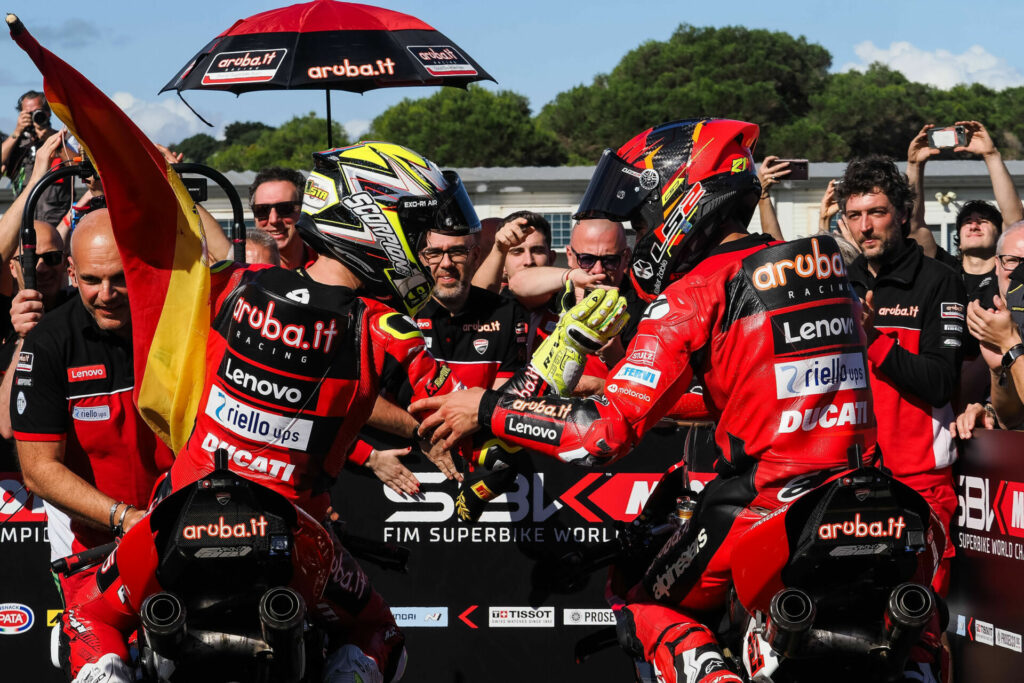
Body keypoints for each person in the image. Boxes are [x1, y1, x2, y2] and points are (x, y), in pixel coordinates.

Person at [412, 118, 878, 683]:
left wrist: (486, 408)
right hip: (864, 493)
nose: (642, 229)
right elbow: (747, 393)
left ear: (683, 201)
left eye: (642, 214)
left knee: (642, 604)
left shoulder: (696, 290)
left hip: (773, 504)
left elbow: (598, 437)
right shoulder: (826, 267)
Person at [66, 142, 472, 683]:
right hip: (293, 536)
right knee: (378, 632)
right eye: (419, 234)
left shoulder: (234, 286)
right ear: (376, 223)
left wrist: (146, 168)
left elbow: (191, 241)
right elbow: (474, 410)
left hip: (177, 518)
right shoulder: (388, 331)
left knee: (86, 613)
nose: (427, 252)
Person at [5, 210, 173, 679]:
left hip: (183, 534)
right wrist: (124, 519)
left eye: (120, 279)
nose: (107, 294)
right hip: (96, 548)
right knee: (104, 670)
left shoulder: (175, 327)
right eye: (93, 279)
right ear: (73, 274)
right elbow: (38, 470)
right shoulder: (48, 343)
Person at [838, 155, 965, 596]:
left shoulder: (939, 281)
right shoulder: (838, 283)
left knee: (918, 622)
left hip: (917, 485)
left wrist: (871, 338)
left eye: (877, 212)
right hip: (842, 484)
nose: (865, 227)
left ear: (903, 214)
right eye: (854, 215)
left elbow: (939, 382)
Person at [954, 222, 1024, 433]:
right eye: (1012, 261)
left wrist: (1010, 345)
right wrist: (997, 371)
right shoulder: (1002, 321)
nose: (1020, 273)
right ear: (996, 264)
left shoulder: (1006, 334)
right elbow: (1010, 419)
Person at [1, 90, 72, 225]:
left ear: (48, 113)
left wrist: (53, 142)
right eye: (28, 113)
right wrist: (16, 132)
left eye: (37, 112)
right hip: (24, 225)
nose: (34, 117)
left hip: (55, 226)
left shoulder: (62, 139)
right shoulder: (17, 145)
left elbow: (77, 166)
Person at [471, 211, 555, 294]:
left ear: (551, 258)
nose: (528, 261)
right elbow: (479, 299)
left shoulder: (566, 299)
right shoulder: (497, 305)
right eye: (517, 252)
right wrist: (498, 249)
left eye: (537, 251)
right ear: (503, 265)